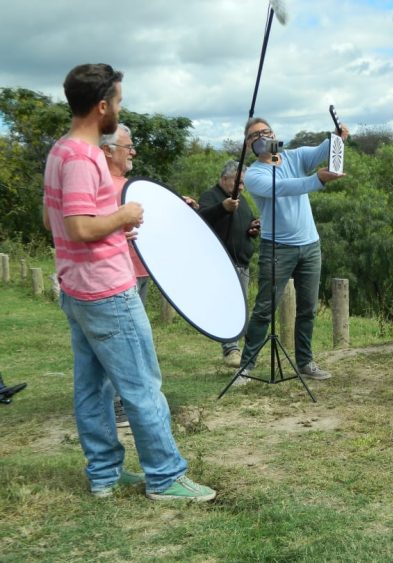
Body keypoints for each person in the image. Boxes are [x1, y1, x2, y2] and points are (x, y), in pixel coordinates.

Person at [42, 63, 215, 501]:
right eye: (118, 101)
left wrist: (111, 225)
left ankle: (104, 474)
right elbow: (80, 227)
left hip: (77, 287)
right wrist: (124, 215)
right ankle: (165, 476)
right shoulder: (83, 158)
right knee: (142, 386)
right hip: (107, 289)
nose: (120, 107)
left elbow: (52, 219)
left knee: (92, 388)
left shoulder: (60, 150)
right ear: (102, 107)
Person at [238, 117, 347, 383]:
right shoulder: (254, 174)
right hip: (277, 247)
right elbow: (283, 188)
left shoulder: (295, 156)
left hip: (310, 245)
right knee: (265, 308)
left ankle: (305, 362)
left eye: (267, 131)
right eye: (256, 135)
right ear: (249, 144)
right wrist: (317, 180)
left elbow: (321, 150)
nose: (264, 136)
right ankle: (246, 366)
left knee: (308, 308)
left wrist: (336, 138)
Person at [100, 124, 143, 428]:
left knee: (134, 341)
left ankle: (122, 400)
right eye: (128, 147)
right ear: (108, 149)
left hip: (138, 271)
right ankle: (117, 404)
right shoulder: (100, 185)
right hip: (115, 276)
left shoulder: (127, 183)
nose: (133, 152)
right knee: (120, 342)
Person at [198, 160, 260, 368]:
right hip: (221, 262)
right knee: (228, 305)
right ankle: (231, 349)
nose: (241, 187)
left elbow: (245, 223)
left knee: (240, 306)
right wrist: (222, 208)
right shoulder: (211, 196)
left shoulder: (242, 200)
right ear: (224, 179)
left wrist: (252, 228)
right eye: (237, 182)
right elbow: (199, 219)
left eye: (243, 183)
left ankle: (237, 347)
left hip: (241, 262)